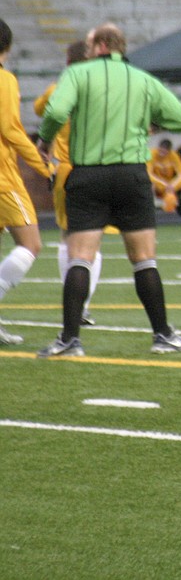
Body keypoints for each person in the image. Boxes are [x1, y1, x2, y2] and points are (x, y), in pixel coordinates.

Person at [36, 22, 181, 357]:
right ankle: (163, 335)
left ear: (98, 46)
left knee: (80, 257)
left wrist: (46, 140)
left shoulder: (77, 74)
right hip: (132, 176)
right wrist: (149, 126)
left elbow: (55, 111)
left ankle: (69, 340)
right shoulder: (142, 78)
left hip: (87, 175)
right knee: (143, 260)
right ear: (121, 47)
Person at [33, 38, 103, 328]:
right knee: (92, 240)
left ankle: (74, 305)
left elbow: (40, 109)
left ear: (67, 63)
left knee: (66, 236)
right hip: (96, 168)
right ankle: (83, 305)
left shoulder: (58, 89)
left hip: (63, 171)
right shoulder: (98, 90)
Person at [0, 19, 53, 346]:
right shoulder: (5, 79)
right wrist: (43, 165)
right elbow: (10, 129)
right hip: (3, 179)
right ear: (7, 46)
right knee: (31, 244)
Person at [147, 138, 181, 213]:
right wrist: (164, 184)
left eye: (165, 152)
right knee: (149, 185)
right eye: (160, 150)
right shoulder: (152, 153)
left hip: (169, 186)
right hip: (157, 185)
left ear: (169, 151)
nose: (162, 153)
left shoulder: (174, 156)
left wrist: (173, 185)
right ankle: (149, 210)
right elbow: (148, 173)